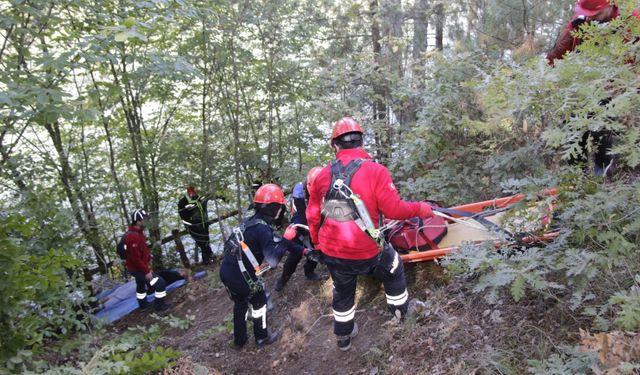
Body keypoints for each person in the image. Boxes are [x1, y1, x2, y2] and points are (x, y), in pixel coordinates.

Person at [306, 117, 435, 351]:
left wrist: (317, 243)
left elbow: (313, 215)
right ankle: (400, 313)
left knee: (343, 289)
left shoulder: (322, 176)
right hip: (366, 251)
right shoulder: (376, 171)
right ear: (361, 142)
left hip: (332, 252)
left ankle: (343, 337)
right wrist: (421, 208)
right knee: (393, 265)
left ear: (335, 145)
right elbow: (394, 209)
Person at [546, 0, 640, 176]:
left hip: (619, 86)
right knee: (571, 128)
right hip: (584, 85)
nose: (590, 18)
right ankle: (576, 177)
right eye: (587, 14)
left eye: (595, 14)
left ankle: (604, 174)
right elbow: (557, 55)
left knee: (601, 130)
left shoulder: (631, 19)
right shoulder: (581, 22)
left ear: (610, 5)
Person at [219, 184, 312, 349]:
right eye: (280, 206)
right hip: (241, 277)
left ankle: (239, 342)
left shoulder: (250, 222)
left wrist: (304, 250)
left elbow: (277, 241)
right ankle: (262, 338)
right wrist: (288, 238)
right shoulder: (261, 229)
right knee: (259, 301)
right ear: (274, 208)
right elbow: (273, 261)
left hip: (227, 272)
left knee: (240, 304)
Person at [274, 166, 324, 291]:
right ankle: (283, 279)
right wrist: (307, 229)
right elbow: (300, 215)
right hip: (300, 224)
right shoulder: (299, 191)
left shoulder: (325, 186)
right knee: (295, 255)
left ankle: (309, 272)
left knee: (315, 251)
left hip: (315, 222)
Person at [124, 209, 171, 312]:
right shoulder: (133, 236)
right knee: (160, 282)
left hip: (139, 267)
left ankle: (143, 305)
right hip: (138, 269)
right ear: (138, 221)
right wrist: (146, 271)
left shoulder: (138, 233)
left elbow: (141, 252)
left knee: (140, 285)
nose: (146, 221)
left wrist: (148, 260)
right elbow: (135, 258)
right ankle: (160, 306)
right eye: (144, 219)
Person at [178, 186, 214, 265]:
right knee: (201, 242)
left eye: (195, 192)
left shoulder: (199, 198)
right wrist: (188, 225)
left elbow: (203, 207)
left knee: (206, 240)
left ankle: (208, 259)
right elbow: (182, 215)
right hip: (193, 225)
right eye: (192, 192)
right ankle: (209, 256)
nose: (194, 194)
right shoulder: (183, 202)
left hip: (204, 223)